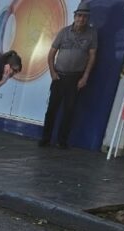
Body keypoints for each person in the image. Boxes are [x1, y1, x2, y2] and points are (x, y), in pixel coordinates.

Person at [39, 0, 97, 148]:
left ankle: (62, 141)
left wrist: (85, 77)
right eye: (79, 16)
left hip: (75, 78)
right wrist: (52, 72)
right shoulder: (64, 32)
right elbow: (51, 53)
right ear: (74, 16)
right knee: (52, 109)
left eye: (84, 16)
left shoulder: (92, 34)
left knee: (69, 111)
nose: (81, 19)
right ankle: (45, 139)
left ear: (87, 18)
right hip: (59, 76)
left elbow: (92, 57)